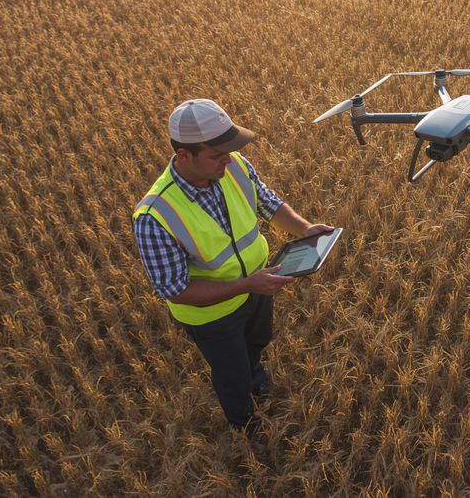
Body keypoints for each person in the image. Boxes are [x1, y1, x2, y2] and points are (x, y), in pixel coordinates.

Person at [132, 98, 333, 432]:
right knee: (232, 374)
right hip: (211, 314)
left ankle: (256, 379)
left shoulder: (233, 165)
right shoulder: (154, 216)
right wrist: (246, 285)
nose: (227, 159)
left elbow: (267, 203)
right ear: (184, 155)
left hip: (257, 287)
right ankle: (244, 423)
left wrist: (305, 228)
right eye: (216, 154)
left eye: (228, 150)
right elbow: (176, 290)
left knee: (257, 343)